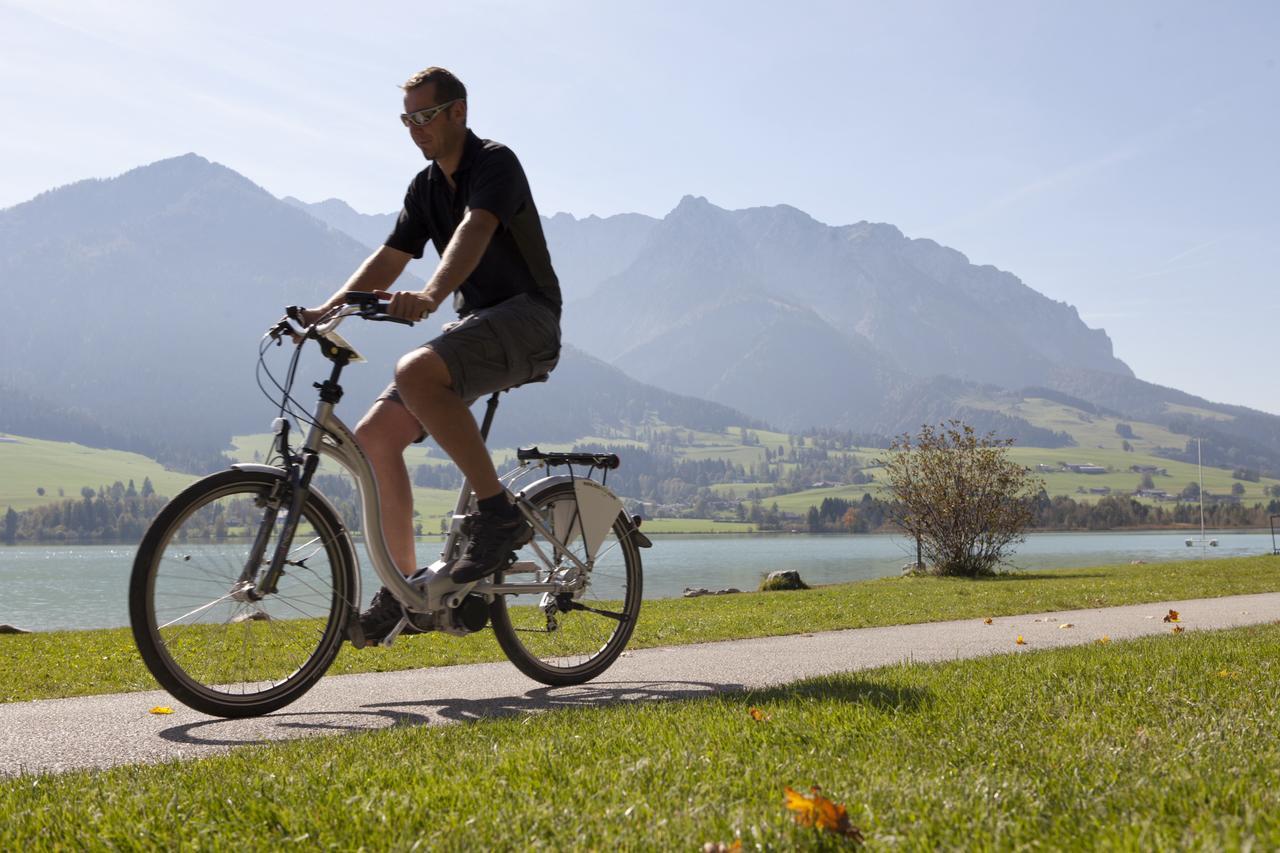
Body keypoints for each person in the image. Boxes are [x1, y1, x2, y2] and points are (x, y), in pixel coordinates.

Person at [301, 67, 562, 644]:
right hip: (478, 324)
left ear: (457, 113)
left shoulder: (496, 162)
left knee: (415, 368)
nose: (415, 130)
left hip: (529, 317)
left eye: (425, 117)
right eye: (407, 120)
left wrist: (431, 295)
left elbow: (476, 228)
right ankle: (406, 590)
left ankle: (498, 514)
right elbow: (391, 256)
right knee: (372, 441)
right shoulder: (423, 188)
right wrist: (323, 313)